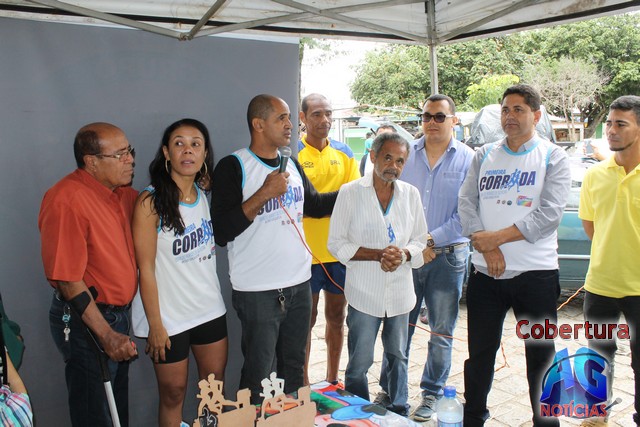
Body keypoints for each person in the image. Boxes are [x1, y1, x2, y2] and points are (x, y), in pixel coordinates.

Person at [210, 94, 337, 403]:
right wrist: (264, 193)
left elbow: (315, 205)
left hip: (299, 284)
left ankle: (291, 420)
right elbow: (222, 232)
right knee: (259, 375)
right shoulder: (234, 166)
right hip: (258, 291)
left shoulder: (290, 162)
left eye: (289, 118)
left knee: (294, 368)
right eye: (281, 118)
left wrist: (356, 191)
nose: (290, 124)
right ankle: (253, 421)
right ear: (258, 124)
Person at [458, 84, 571, 427]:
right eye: (505, 109)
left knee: (541, 356)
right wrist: (487, 246)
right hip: (485, 276)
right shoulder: (483, 155)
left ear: (536, 115)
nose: (510, 116)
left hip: (535, 276)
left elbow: (549, 215)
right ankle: (473, 417)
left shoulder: (553, 157)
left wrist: (496, 238)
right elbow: (466, 203)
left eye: (518, 109)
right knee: (479, 355)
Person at [376, 94, 474, 422]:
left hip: (448, 258)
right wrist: (414, 246)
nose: (431, 122)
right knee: (398, 325)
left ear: (454, 121)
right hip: (408, 256)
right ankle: (390, 390)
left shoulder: (469, 159)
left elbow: (467, 214)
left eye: (439, 117)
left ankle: (432, 393)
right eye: (426, 116)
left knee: (441, 331)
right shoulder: (405, 154)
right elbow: (392, 202)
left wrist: (428, 240)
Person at [39, 122, 139, 427]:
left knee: (115, 411)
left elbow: (157, 203)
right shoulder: (67, 199)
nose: (130, 160)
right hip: (88, 321)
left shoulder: (120, 193)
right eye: (119, 155)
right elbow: (68, 280)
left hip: (117, 316)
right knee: (94, 414)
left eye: (129, 151)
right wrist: (106, 334)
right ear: (91, 162)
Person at [131, 119, 227, 426]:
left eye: (195, 144)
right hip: (168, 317)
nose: (188, 150)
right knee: (173, 394)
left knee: (213, 389)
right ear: (166, 153)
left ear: (205, 153)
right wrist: (156, 324)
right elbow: (145, 269)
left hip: (208, 309)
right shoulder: (150, 202)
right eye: (179, 143)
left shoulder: (202, 192)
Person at [328, 132, 428, 416]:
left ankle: (398, 409)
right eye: (387, 158)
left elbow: (420, 239)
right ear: (372, 156)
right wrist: (377, 255)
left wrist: (403, 254)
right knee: (360, 362)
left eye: (400, 161)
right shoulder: (350, 192)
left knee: (398, 356)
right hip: (364, 293)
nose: (393, 166)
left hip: (400, 294)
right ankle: (358, 413)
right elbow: (336, 243)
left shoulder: (410, 194)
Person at [579, 95, 640, 427]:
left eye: (621, 124)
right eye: (609, 124)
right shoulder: (595, 175)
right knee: (598, 357)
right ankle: (596, 416)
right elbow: (591, 227)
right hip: (600, 285)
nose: (611, 131)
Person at [298, 93, 360, 386]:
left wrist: (321, 203)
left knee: (337, 317)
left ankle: (333, 379)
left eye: (328, 113)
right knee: (305, 323)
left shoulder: (344, 152)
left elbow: (355, 197)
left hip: (339, 253)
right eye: (317, 114)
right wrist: (331, 202)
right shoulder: (294, 154)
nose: (324, 120)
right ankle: (304, 384)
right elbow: (304, 204)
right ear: (302, 118)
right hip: (306, 255)